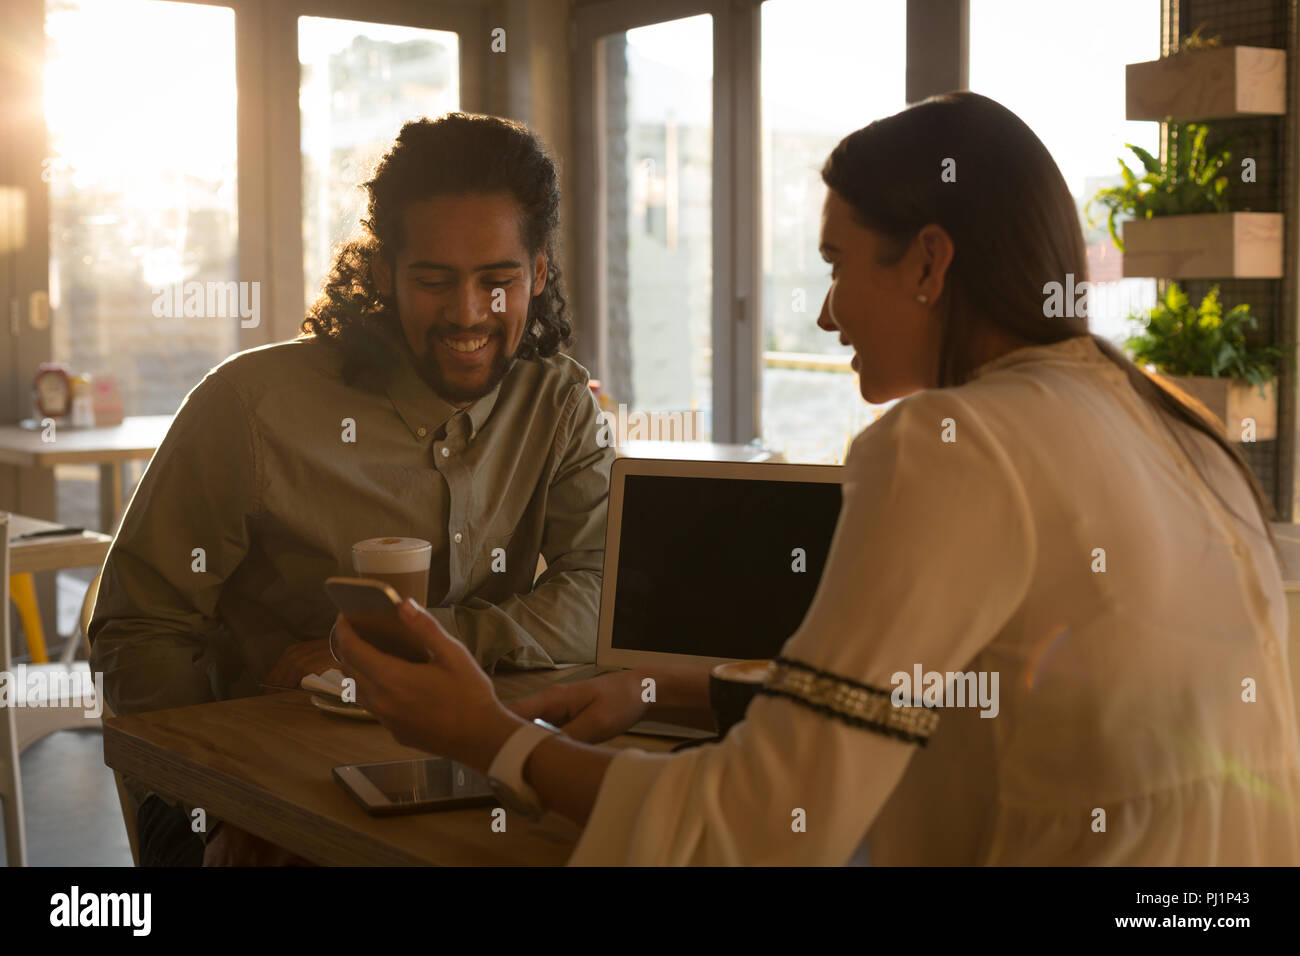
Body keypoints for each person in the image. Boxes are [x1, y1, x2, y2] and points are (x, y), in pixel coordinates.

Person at [336, 91, 1300, 865]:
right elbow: (942, 699)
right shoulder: (1173, 426)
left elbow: (756, 829)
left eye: (838, 264)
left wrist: (488, 739)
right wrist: (652, 693)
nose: (829, 313)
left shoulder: (955, 442)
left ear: (929, 262)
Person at [89, 114, 614, 866]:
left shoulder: (557, 404)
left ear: (536, 274)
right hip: (244, 800)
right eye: (433, 280)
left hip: (463, 779)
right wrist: (219, 795)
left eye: (497, 282)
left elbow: (600, 584)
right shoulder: (249, 408)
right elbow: (139, 629)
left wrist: (419, 647)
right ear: (381, 274)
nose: (468, 314)